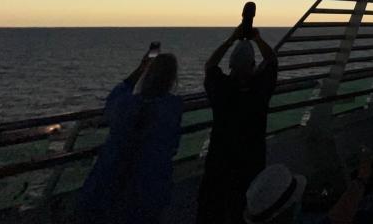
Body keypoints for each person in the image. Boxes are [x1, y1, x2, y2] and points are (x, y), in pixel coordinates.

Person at [78, 50, 182, 224]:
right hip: (151, 186)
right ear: (172, 79)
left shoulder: (125, 105)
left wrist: (140, 69)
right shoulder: (172, 107)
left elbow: (113, 100)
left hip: (111, 181)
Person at [197, 23, 279, 224]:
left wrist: (231, 39)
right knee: (244, 210)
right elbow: (272, 61)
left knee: (212, 209)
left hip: (220, 159)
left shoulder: (222, 88)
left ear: (230, 65)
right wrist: (257, 39)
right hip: (252, 160)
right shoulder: (260, 89)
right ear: (253, 65)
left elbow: (210, 66)